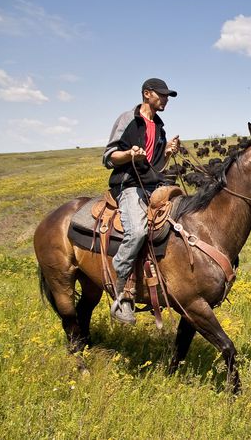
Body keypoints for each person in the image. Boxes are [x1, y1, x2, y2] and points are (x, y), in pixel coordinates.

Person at [102, 78, 180, 324]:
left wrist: (166, 153)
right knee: (136, 231)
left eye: (167, 96)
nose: (165, 99)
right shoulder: (128, 119)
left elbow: (156, 168)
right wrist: (129, 154)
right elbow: (108, 157)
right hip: (129, 186)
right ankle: (121, 293)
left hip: (152, 186)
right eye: (162, 95)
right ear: (147, 94)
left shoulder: (159, 128)